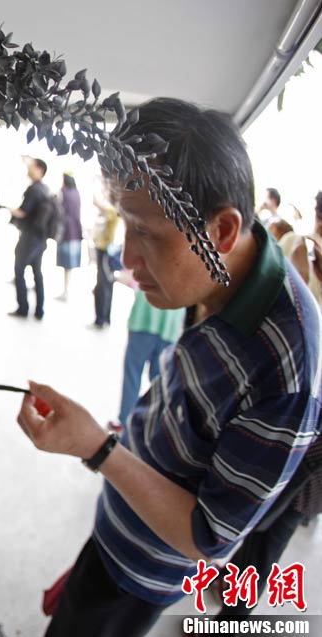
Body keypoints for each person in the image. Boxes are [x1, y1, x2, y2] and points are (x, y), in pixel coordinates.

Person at [17, 98, 321, 637]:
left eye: (148, 233)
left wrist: (98, 448)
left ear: (222, 230)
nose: (126, 257)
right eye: (125, 226)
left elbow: (209, 539)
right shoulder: (220, 271)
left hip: (145, 566)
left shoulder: (285, 369)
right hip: (122, 516)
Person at [113, 287, 184, 429]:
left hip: (144, 320)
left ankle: (125, 422)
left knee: (133, 374)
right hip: (170, 328)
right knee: (160, 383)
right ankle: (151, 427)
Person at [9, 157, 50, 319]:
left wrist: (8, 208)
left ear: (40, 170)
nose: (28, 169)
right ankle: (39, 310)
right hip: (41, 238)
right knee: (37, 273)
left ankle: (23, 308)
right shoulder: (45, 189)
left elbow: (23, 212)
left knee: (19, 270)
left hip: (29, 237)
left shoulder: (34, 190)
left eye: (32, 166)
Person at [90, 194, 119, 328]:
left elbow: (104, 208)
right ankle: (104, 318)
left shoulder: (113, 210)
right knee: (106, 285)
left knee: (103, 286)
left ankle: (101, 319)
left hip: (106, 251)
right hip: (107, 251)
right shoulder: (114, 209)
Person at [55, 173, 82, 301]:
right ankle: (66, 290)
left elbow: (58, 210)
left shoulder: (63, 192)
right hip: (76, 231)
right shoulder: (76, 192)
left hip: (66, 231)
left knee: (66, 263)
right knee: (69, 265)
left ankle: (65, 291)